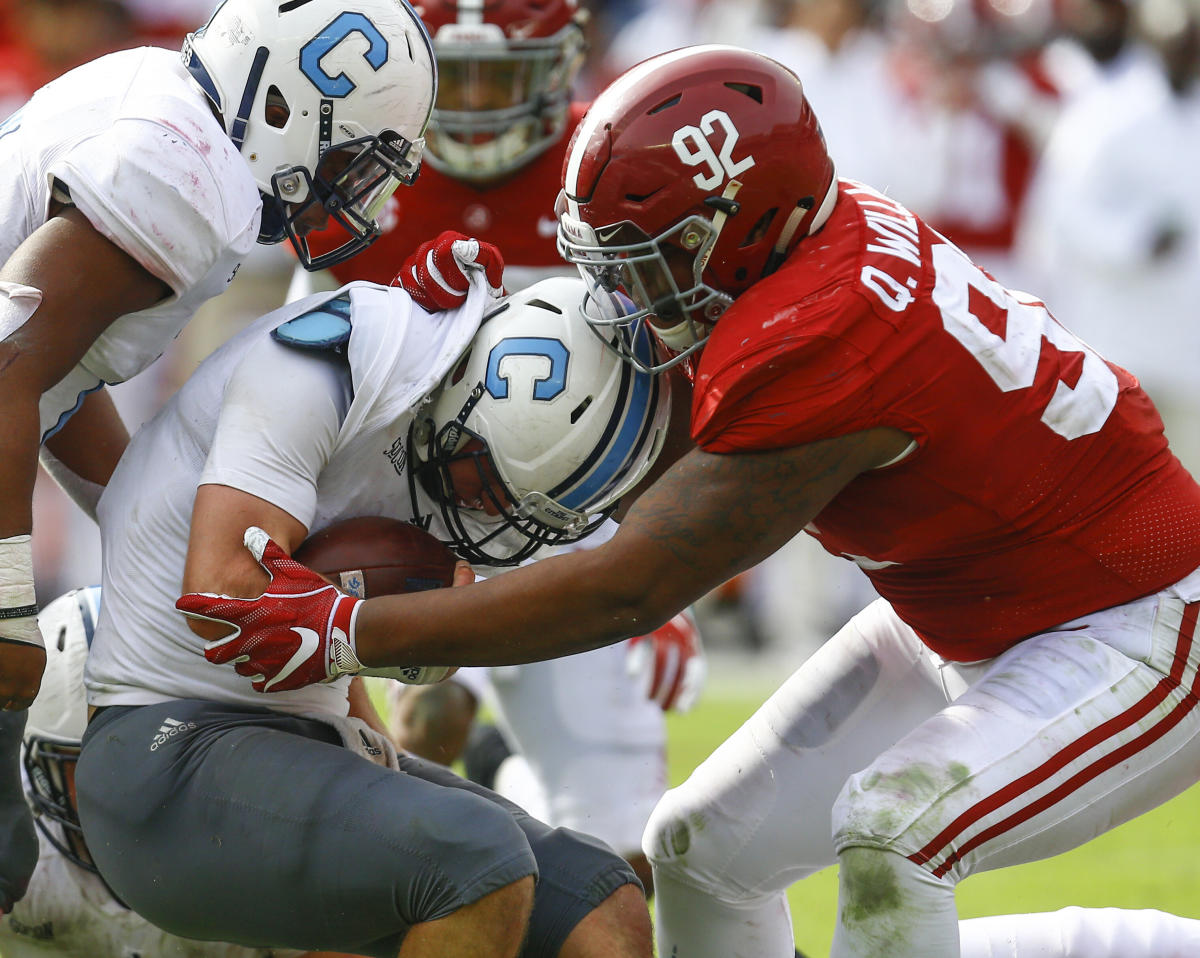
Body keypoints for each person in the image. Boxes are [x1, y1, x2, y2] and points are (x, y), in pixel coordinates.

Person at [180, 45, 1200, 958]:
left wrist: (355, 629)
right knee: (700, 849)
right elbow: (630, 468)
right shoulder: (804, 245)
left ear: (743, 226)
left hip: (1134, 624)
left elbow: (627, 586)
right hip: (971, 609)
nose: (626, 297)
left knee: (896, 828)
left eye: (651, 259)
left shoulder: (823, 333)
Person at [77, 274, 668, 957]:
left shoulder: (459, 429)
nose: (486, 519)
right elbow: (225, 600)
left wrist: (380, 706)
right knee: (477, 863)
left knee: (604, 899)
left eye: (518, 508)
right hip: (166, 750)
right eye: (486, 484)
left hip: (305, 737)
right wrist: (399, 630)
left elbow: (331, 642)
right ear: (464, 395)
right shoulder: (339, 359)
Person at [0, 0, 437, 914]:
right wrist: (3, 610)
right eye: (350, 159)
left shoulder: (166, 103)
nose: (349, 193)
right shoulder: (192, 182)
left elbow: (49, 379)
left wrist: (145, 528)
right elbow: (6, 364)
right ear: (286, 107)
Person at [293, 0, 705, 896]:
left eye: (500, 80)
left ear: (562, 68)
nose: (475, 108)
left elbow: (676, 385)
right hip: (409, 508)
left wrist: (666, 562)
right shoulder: (365, 174)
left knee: (623, 846)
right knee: (400, 761)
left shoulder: (621, 167)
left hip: (580, 518)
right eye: (458, 79)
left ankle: (512, 783)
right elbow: (305, 384)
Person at [4, 584, 367, 957]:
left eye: (155, 763)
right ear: (40, 773)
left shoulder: (258, 863)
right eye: (93, 769)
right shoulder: (25, 863)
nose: (128, 795)